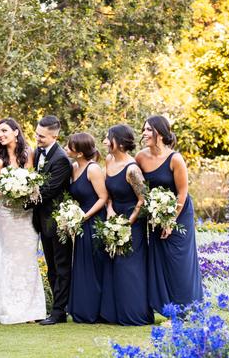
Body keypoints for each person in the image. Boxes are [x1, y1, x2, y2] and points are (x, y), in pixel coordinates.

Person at [0, 118, 46, 324]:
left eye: (4, 130)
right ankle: (11, 306)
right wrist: (10, 191)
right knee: (11, 257)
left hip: (25, 215)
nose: (1, 135)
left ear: (15, 131)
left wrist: (24, 191)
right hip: (5, 215)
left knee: (28, 257)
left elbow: (33, 182)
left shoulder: (28, 154)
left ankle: (32, 309)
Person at [136, 115, 203, 315]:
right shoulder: (140, 157)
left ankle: (187, 308)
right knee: (161, 259)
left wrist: (171, 221)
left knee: (179, 261)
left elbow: (182, 192)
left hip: (179, 214)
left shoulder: (175, 159)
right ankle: (167, 308)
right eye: (144, 130)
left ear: (160, 133)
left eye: (149, 130)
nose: (145, 133)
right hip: (155, 215)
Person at [99, 124, 154, 326]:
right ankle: (112, 314)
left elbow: (143, 199)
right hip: (114, 217)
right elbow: (108, 192)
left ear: (119, 143)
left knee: (129, 267)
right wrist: (110, 209)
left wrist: (127, 223)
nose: (105, 142)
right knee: (112, 264)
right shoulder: (109, 160)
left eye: (108, 138)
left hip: (133, 222)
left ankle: (134, 314)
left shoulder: (132, 169)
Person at [31, 115, 72, 325]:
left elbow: (48, 190)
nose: (37, 138)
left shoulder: (62, 160)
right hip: (43, 221)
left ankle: (59, 312)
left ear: (55, 135)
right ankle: (56, 310)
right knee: (52, 267)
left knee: (61, 266)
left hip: (57, 221)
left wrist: (24, 197)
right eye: (37, 134)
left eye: (42, 136)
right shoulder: (39, 152)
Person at [65, 133, 108, 323]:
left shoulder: (93, 169)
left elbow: (103, 198)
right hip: (80, 220)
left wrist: (85, 215)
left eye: (69, 146)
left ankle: (96, 311)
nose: (66, 148)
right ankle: (81, 309)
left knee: (94, 265)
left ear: (80, 152)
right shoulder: (74, 167)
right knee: (81, 264)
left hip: (94, 220)